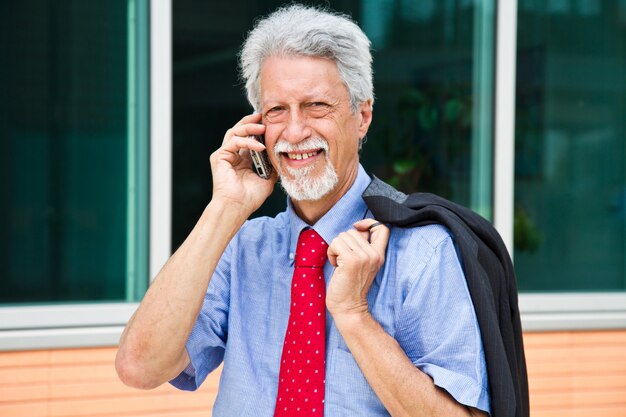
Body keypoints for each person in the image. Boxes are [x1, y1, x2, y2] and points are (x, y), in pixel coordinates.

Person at [116, 4, 491, 417]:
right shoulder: (243, 248)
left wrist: (354, 315)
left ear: (362, 116)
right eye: (277, 110)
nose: (294, 132)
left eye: (316, 106)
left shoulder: (423, 250)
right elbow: (139, 367)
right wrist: (225, 207)